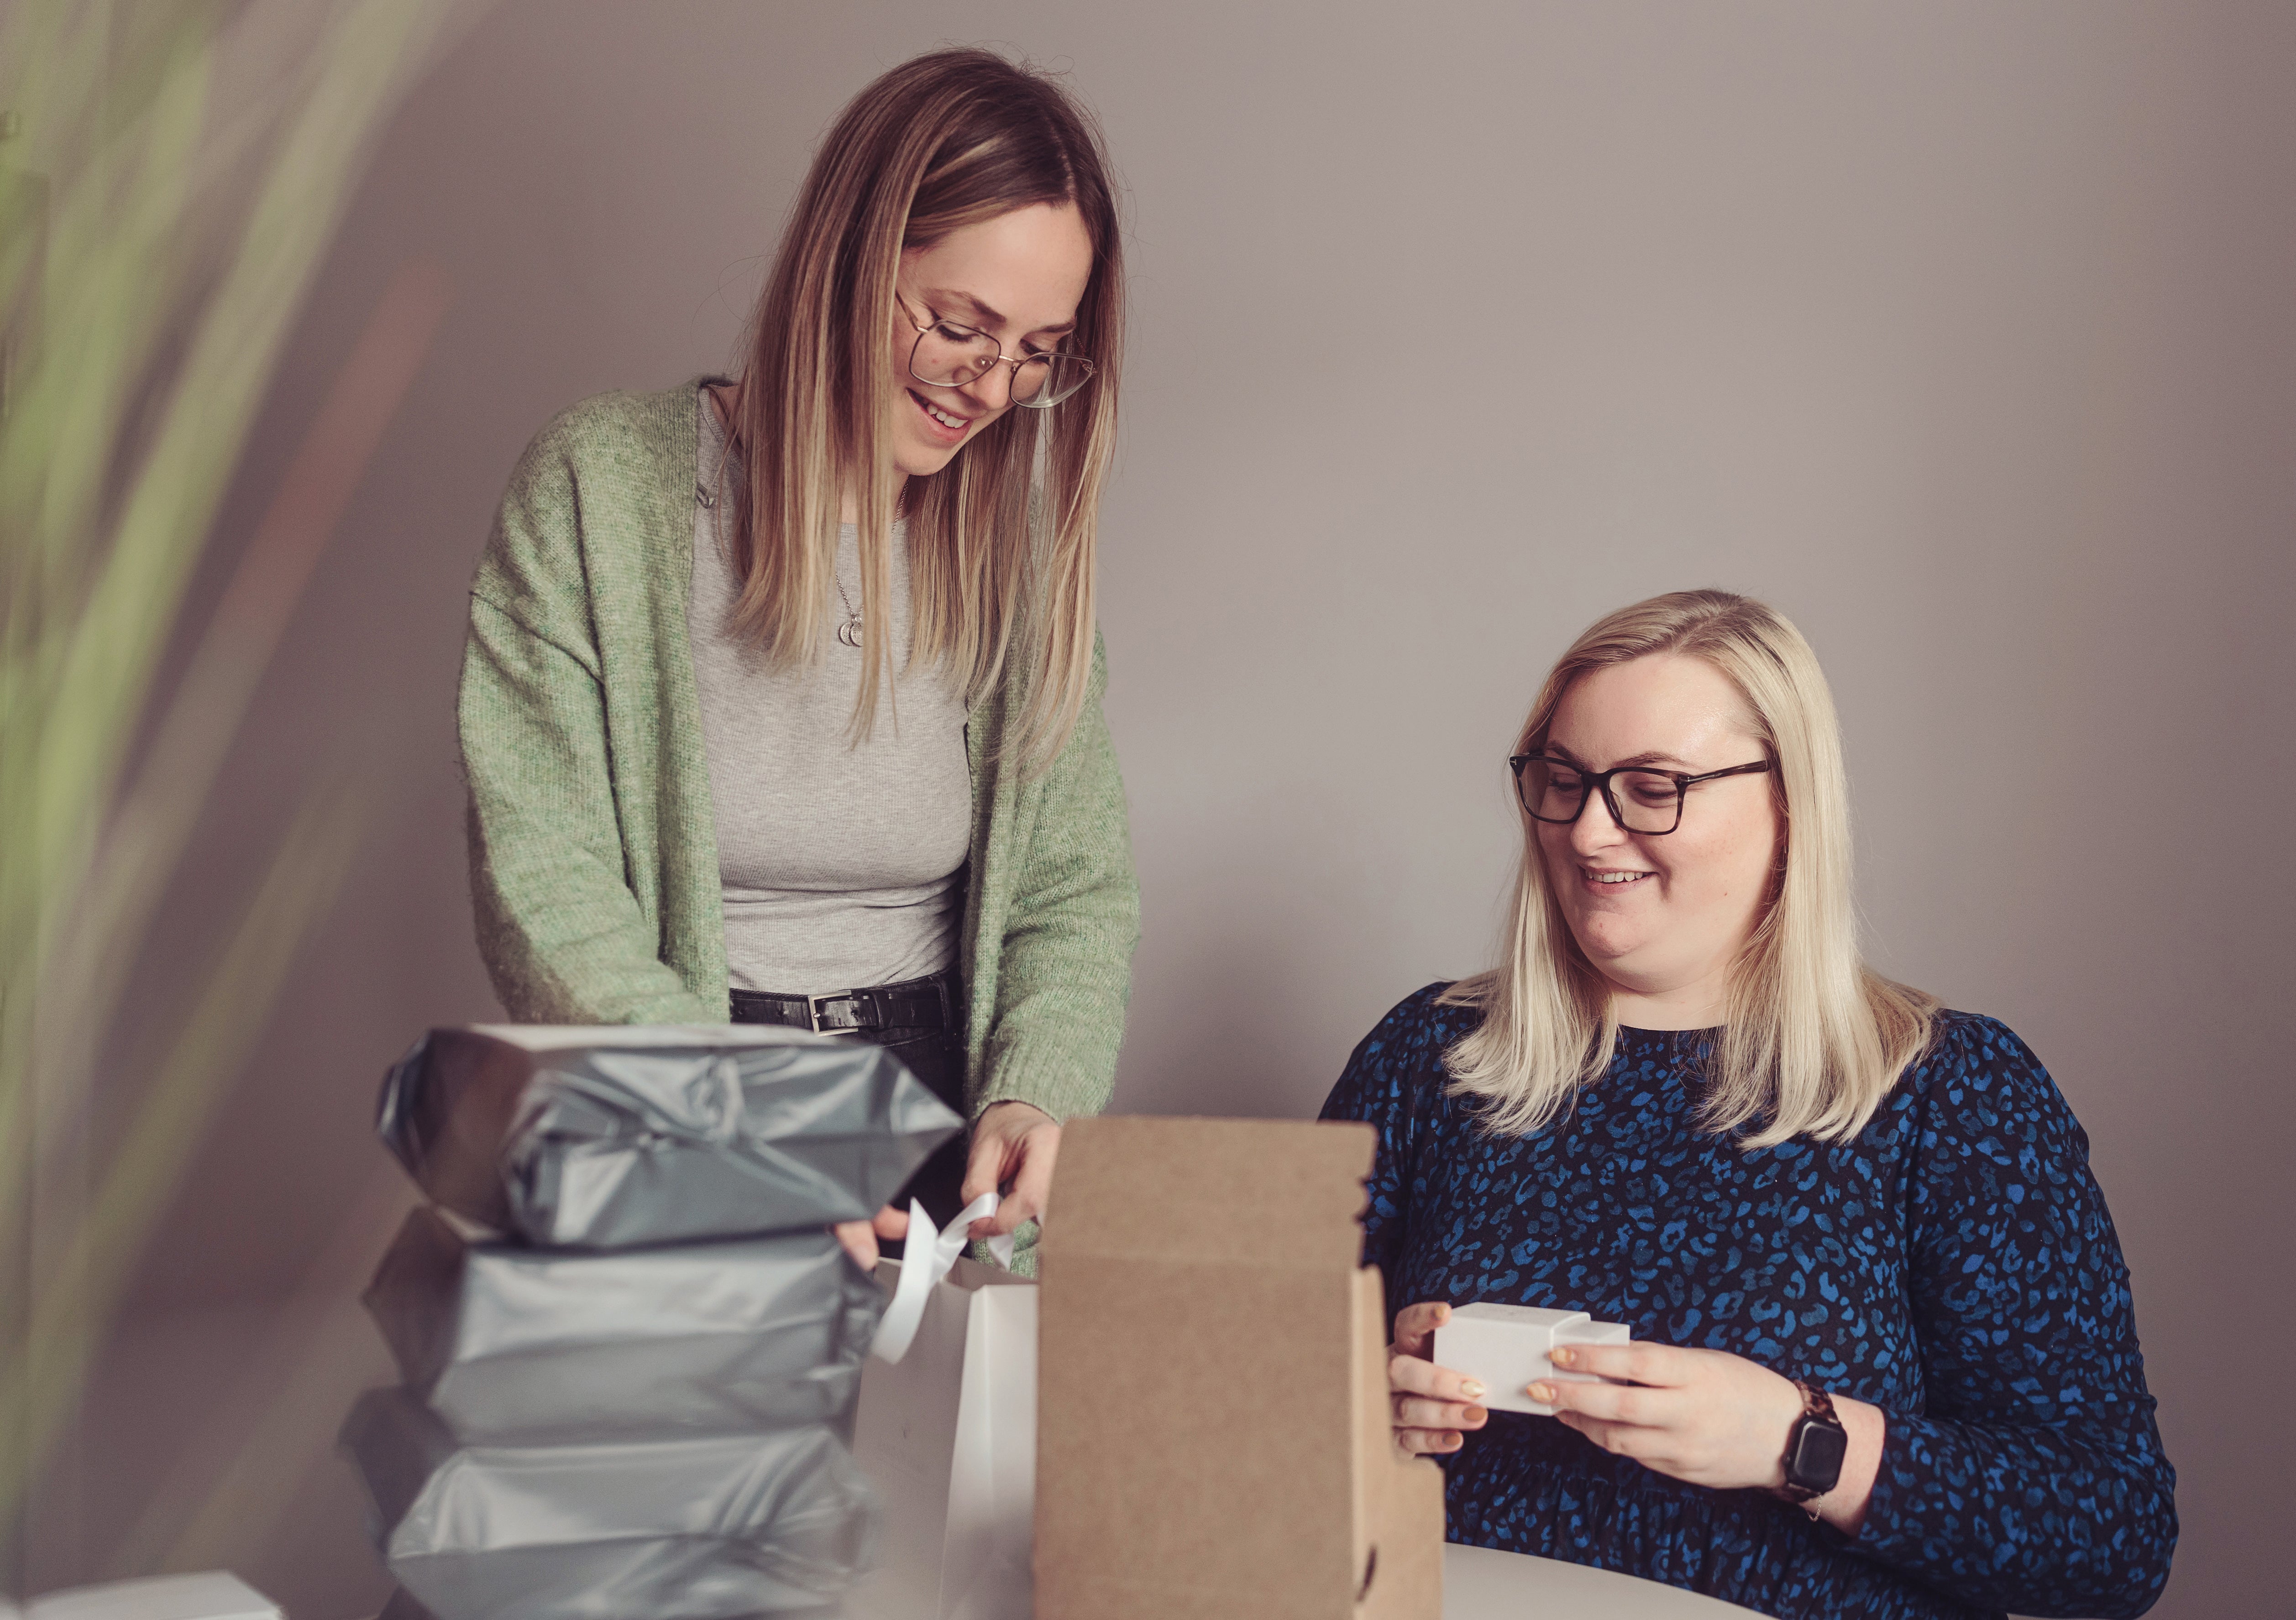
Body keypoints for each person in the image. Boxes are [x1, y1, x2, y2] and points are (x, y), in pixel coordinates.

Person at [1321, 590, 2175, 1619]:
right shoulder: (1429, 1057)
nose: (1590, 829)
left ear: (1788, 807)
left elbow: (2111, 1538)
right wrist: (1359, 1407)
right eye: (1563, 780)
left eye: (1651, 787)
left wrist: (1797, 1440)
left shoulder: (1952, 1094)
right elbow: (1217, 1417)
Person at [458, 50, 1137, 1270]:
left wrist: (1033, 1093)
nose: (990, 386)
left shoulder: (1015, 558)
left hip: (942, 1130)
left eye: (1039, 348)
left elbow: (1071, 890)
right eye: (958, 324)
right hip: (686, 1106)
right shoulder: (602, 489)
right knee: (703, 1459)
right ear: (849, 258)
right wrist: (738, 1121)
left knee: (948, 1464)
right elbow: (543, 877)